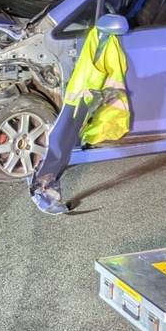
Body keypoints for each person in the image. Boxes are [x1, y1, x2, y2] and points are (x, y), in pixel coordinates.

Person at [28, 20, 130, 215]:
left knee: (64, 134)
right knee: (64, 135)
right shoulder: (95, 39)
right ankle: (43, 187)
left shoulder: (99, 39)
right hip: (88, 96)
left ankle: (44, 190)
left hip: (86, 97)